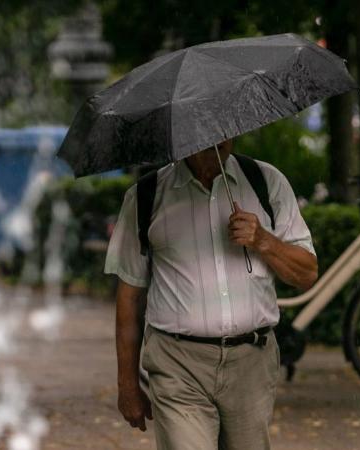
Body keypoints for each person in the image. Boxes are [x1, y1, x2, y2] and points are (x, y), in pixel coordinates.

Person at [105, 139, 318, 450]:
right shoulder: (146, 196)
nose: (217, 141)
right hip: (177, 364)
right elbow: (129, 296)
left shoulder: (266, 181)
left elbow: (307, 274)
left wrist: (263, 241)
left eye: (224, 132)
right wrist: (127, 384)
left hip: (251, 362)